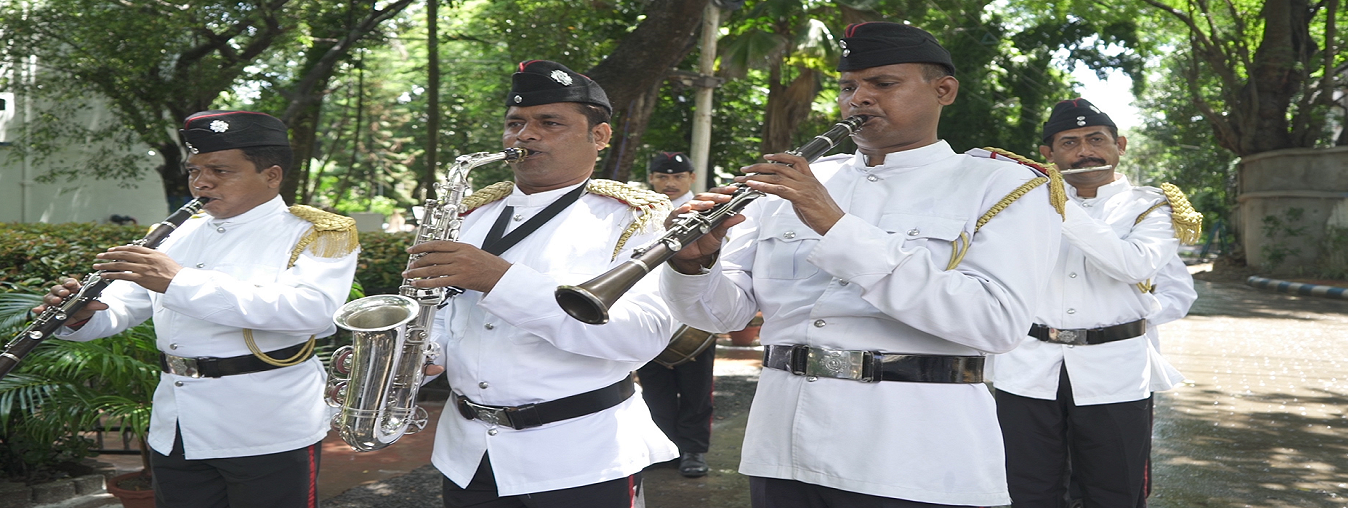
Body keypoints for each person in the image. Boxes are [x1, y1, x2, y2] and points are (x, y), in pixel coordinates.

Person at [660, 21, 1062, 507]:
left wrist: (837, 226)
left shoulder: (1002, 186)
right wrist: (693, 265)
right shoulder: (793, 182)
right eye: (849, 87)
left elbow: (996, 324)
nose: (859, 99)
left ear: (944, 90)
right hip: (781, 445)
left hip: (915, 456)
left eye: (883, 84)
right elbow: (720, 316)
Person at [36, 110, 359, 508]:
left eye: (220, 170)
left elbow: (314, 312)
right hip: (177, 425)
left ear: (271, 176)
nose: (201, 182)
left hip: (265, 426)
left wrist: (178, 281)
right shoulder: (177, 233)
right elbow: (124, 305)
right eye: (194, 170)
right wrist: (83, 315)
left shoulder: (315, 233)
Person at [403, 60, 678, 508]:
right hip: (467, 456)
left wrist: (499, 279)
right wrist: (418, 357)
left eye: (549, 122)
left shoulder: (637, 220)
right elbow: (440, 316)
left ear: (600, 136)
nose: (525, 135)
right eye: (515, 123)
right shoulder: (467, 216)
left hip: (582, 456)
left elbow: (642, 337)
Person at [989, 98, 1199, 508]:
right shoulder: (1017, 206)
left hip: (1115, 368)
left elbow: (1137, 266)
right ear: (1047, 155)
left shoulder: (1152, 206)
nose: (1085, 151)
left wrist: (1132, 319)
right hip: (1027, 365)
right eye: (1069, 143)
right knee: (1026, 488)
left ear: (1119, 144)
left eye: (1096, 139)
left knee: (1113, 489)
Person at [638, 151, 715, 478]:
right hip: (648, 312)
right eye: (662, 176)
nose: (670, 183)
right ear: (652, 178)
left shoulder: (709, 208)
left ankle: (693, 450)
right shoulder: (639, 211)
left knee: (696, 387)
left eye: (678, 177)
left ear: (691, 179)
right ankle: (665, 447)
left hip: (694, 315)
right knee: (655, 385)